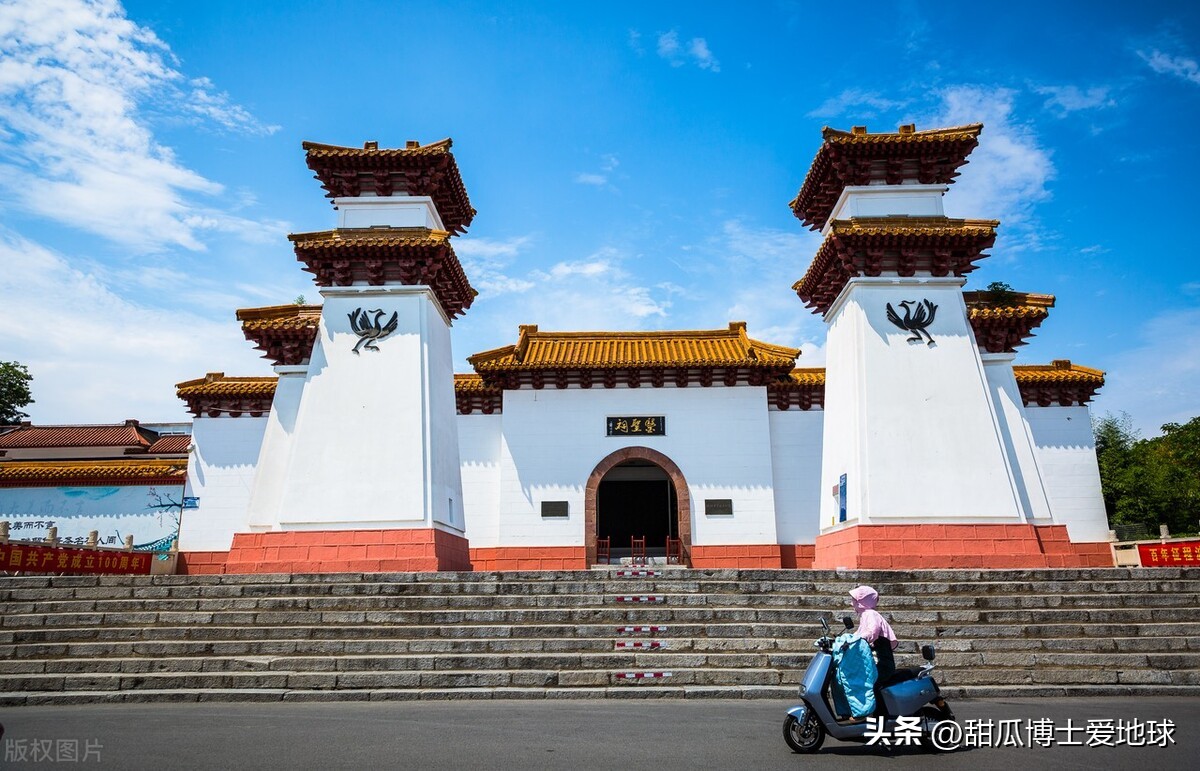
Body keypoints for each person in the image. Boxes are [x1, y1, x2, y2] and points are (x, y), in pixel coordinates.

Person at [849, 585, 898, 680]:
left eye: (854, 600)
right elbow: (858, 633)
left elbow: (873, 631)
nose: (851, 603)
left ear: (861, 601)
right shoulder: (865, 615)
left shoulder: (871, 614)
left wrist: (860, 638)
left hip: (880, 663)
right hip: (873, 661)